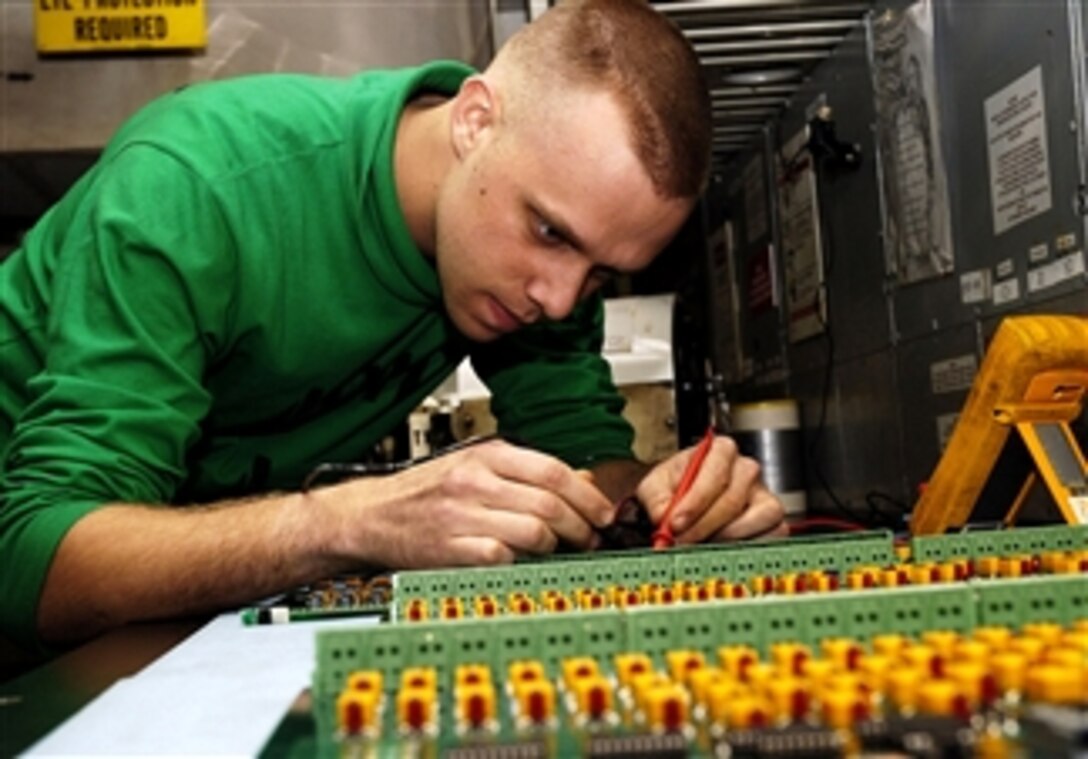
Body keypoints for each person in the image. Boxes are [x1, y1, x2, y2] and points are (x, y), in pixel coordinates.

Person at [0, 0, 786, 661]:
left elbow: (582, 463)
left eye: (600, 274)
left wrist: (674, 503)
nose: (557, 298)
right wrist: (348, 518)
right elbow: (38, 558)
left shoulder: (537, 264)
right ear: (476, 120)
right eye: (549, 232)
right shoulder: (194, 187)